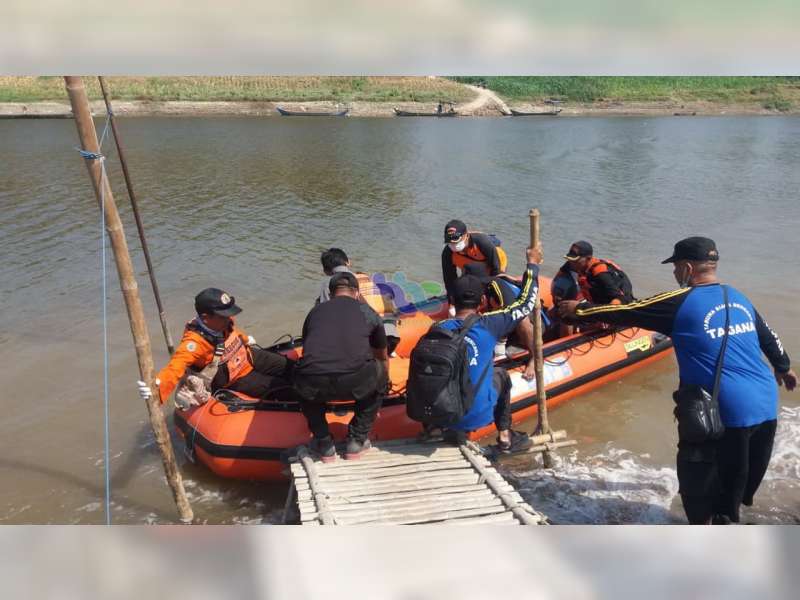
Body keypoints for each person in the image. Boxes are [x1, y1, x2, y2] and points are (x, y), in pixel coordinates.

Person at [559, 237, 796, 524]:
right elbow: (768, 336)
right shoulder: (737, 296)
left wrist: (579, 309)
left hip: (723, 411)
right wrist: (784, 368)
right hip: (766, 406)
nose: (673, 272)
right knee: (734, 489)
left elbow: (627, 311)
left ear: (687, 268)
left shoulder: (678, 302)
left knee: (699, 491)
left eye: (675, 267)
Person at [437, 243, 543, 453]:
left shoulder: (438, 328)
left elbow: (521, 313)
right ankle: (505, 435)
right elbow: (526, 302)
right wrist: (532, 265)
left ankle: (435, 429)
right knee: (500, 374)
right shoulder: (487, 324)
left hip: (443, 412)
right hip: (479, 410)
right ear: (481, 300)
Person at [137, 288, 294, 409]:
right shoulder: (194, 343)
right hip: (236, 378)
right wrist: (157, 387)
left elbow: (235, 333)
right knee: (284, 389)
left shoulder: (223, 321)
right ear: (206, 318)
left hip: (248, 356)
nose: (229, 317)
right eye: (223, 315)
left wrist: (246, 340)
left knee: (291, 366)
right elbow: (176, 366)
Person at [294, 272, 389, 461]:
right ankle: (357, 440)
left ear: (330, 294)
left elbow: (308, 348)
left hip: (315, 381)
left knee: (302, 376)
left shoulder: (315, 312)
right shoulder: (368, 312)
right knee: (381, 372)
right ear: (357, 293)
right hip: (355, 380)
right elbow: (382, 355)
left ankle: (323, 441)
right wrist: (384, 381)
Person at [462, 262, 543, 380]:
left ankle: (535, 358)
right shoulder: (471, 291)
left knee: (521, 321)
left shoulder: (496, 287)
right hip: (502, 318)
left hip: (524, 316)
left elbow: (517, 312)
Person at [441, 219, 508, 309]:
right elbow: (449, 279)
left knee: (491, 289)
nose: (453, 243)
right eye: (449, 240)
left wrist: (490, 294)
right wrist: (452, 304)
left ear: (466, 235)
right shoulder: (447, 253)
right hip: (469, 265)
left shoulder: (482, 242)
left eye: (456, 239)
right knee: (466, 284)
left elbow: (495, 270)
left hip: (494, 262)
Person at [559, 240, 634, 305]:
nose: (571, 263)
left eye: (575, 260)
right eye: (570, 259)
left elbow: (620, 298)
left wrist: (582, 308)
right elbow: (558, 277)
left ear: (588, 259)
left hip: (619, 300)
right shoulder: (573, 263)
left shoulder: (601, 273)